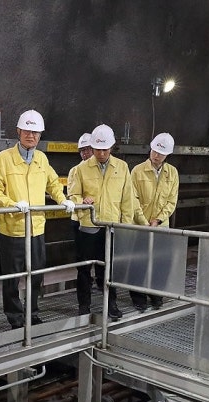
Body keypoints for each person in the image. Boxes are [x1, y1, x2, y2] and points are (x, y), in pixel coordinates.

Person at [0, 110, 74, 328]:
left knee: (35, 275)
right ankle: (15, 317)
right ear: (18, 131)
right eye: (27, 131)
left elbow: (53, 183)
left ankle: (32, 312)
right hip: (12, 229)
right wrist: (12, 205)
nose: (31, 136)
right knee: (11, 277)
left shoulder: (41, 159)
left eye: (36, 132)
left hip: (36, 228)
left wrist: (62, 199)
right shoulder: (4, 159)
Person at [68, 124, 146, 319]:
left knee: (108, 270)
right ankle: (84, 306)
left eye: (105, 149)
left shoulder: (122, 167)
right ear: (92, 148)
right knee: (84, 269)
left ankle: (111, 305)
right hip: (88, 226)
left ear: (112, 147)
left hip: (111, 227)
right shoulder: (81, 169)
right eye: (97, 149)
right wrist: (80, 201)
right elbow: (72, 194)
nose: (101, 153)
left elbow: (127, 199)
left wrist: (124, 227)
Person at [129, 132, 179, 312]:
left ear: (167, 154)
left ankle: (156, 294)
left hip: (160, 226)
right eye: (154, 151)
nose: (156, 155)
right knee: (139, 262)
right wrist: (143, 221)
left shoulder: (172, 173)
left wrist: (158, 219)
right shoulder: (137, 171)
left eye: (161, 152)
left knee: (160, 262)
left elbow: (171, 201)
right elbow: (132, 198)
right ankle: (138, 297)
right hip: (140, 225)